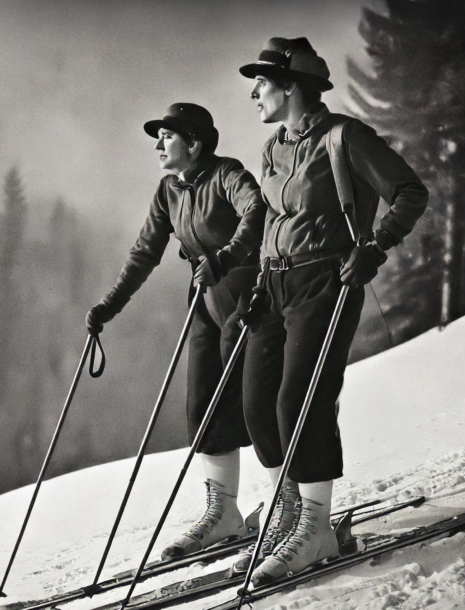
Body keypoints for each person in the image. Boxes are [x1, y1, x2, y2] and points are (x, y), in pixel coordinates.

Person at [233, 38, 429, 585]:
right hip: (273, 287)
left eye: (263, 82)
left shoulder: (346, 137)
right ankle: (286, 514)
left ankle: (315, 526)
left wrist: (376, 244)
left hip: (327, 280)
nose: (254, 92)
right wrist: (256, 279)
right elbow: (273, 219)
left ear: (292, 86)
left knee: (302, 400)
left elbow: (411, 191)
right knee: (256, 406)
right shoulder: (273, 147)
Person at [86, 103, 266, 559]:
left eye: (167, 136)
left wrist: (224, 256)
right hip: (205, 302)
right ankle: (224, 512)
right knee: (202, 404)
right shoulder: (169, 190)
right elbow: (145, 252)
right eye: (157, 137)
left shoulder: (228, 174)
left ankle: (291, 507)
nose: (157, 145)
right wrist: (109, 306)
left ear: (195, 143)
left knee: (257, 401)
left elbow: (256, 211)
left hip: (246, 295)